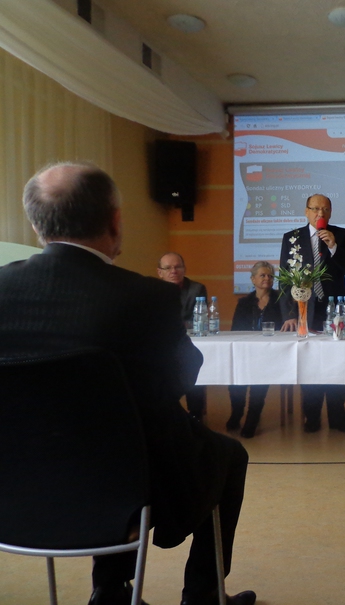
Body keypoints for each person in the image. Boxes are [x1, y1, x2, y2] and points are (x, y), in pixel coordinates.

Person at [0, 163, 255, 605]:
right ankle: (203, 595)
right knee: (226, 454)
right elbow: (177, 379)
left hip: (17, 485)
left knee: (116, 446)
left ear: (37, 225)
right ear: (115, 221)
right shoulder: (147, 297)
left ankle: (110, 590)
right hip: (123, 482)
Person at [279, 193, 345, 433]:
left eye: (324, 209)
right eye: (315, 209)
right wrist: (289, 314)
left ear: (330, 213)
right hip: (306, 309)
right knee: (310, 363)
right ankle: (311, 416)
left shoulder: (341, 235)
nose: (320, 213)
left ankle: (338, 417)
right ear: (306, 211)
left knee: (337, 363)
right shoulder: (292, 237)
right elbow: (284, 278)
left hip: (335, 308)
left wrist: (334, 246)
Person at [227, 261, 283, 438]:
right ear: (253, 279)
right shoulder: (244, 302)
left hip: (270, 352)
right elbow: (235, 329)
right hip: (246, 351)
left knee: (260, 379)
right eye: (262, 275)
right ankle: (237, 412)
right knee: (235, 380)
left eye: (270, 276)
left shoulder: (281, 300)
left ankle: (252, 418)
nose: (267, 278)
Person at [158, 252, 208, 421]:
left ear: (184, 269)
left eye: (177, 267)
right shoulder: (153, 289)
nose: (173, 271)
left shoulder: (196, 289)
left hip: (189, 342)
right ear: (160, 272)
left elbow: (197, 320)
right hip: (161, 344)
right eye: (168, 268)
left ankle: (196, 416)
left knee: (192, 368)